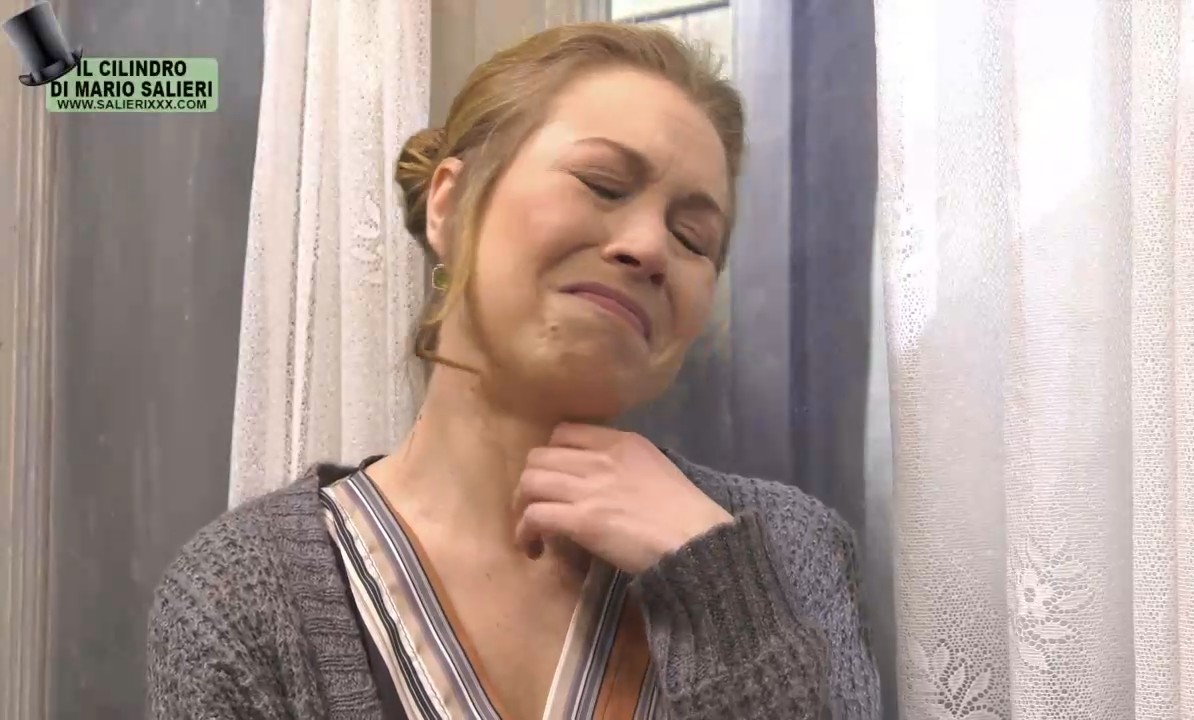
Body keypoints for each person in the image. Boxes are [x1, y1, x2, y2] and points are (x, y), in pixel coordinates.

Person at [146, 21, 881, 720]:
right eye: (602, 183)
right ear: (450, 202)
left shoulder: (790, 553)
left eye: (693, 237)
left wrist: (719, 591)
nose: (650, 248)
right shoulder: (241, 592)